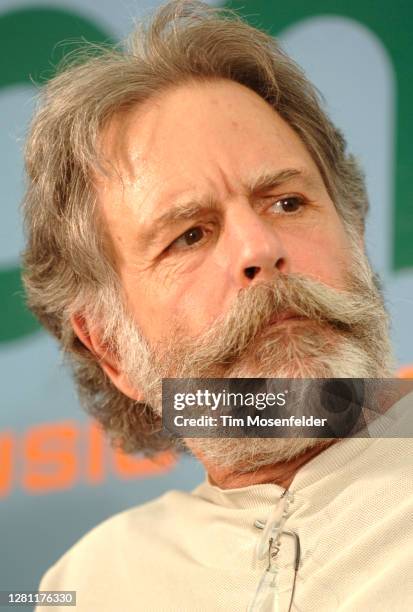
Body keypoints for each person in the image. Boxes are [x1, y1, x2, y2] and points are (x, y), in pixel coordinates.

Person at [22, 1, 412, 610]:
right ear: (110, 348)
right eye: (191, 235)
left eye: (287, 202)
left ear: (356, 237)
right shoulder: (88, 584)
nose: (261, 249)